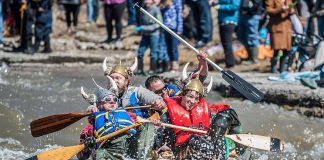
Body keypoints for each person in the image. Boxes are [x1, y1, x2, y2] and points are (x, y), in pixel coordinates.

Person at [151, 71, 242, 159]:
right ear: (183, 95)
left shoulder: (204, 110)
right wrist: (156, 125)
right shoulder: (167, 114)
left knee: (227, 114)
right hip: (182, 150)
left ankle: (234, 151)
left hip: (205, 146)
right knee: (194, 139)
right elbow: (159, 139)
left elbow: (218, 123)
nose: (193, 101)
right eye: (190, 96)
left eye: (196, 99)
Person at [102, 58, 167, 159]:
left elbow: (158, 99)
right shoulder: (103, 95)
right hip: (117, 137)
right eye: (112, 78)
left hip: (139, 134)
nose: (114, 81)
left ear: (127, 81)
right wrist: (91, 110)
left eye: (118, 78)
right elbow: (94, 110)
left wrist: (159, 102)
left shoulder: (138, 92)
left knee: (148, 126)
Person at [77, 78, 137, 160]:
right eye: (107, 99)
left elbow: (143, 122)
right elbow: (81, 156)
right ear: (98, 106)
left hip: (131, 144)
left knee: (148, 126)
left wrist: (154, 122)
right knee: (98, 153)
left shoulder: (128, 115)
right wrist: (88, 146)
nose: (112, 102)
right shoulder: (90, 127)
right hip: (110, 151)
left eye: (115, 99)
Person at [265, 0, 294, 73]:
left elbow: (293, 11)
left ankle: (282, 70)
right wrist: (281, 8)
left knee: (286, 51)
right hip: (276, 27)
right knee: (276, 50)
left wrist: (291, 10)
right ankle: (273, 69)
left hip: (287, 28)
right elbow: (269, 11)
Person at [210, 0, 241, 68]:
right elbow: (219, 3)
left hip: (230, 20)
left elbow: (235, 6)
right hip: (222, 20)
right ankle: (228, 62)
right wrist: (213, 2)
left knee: (227, 42)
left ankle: (230, 63)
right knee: (224, 42)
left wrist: (221, 7)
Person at [136, 0, 162, 75]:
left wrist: (143, 28)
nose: (146, 2)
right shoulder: (142, 8)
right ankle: (140, 70)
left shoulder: (156, 9)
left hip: (154, 34)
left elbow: (159, 24)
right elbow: (141, 20)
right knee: (140, 52)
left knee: (153, 53)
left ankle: (152, 70)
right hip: (145, 35)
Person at [237, 0, 264, 65]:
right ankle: (249, 56)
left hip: (252, 15)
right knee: (241, 36)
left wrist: (250, 11)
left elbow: (257, 3)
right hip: (243, 15)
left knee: (252, 36)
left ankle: (254, 59)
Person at [159, 0, 183, 72]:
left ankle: (175, 66)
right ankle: (169, 65)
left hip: (174, 27)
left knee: (173, 47)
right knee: (167, 47)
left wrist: (179, 29)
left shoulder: (177, 1)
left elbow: (179, 14)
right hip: (165, 27)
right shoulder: (163, 2)